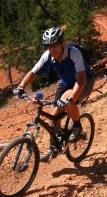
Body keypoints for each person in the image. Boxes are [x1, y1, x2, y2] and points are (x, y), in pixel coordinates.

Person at [14, 27, 95, 162]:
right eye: (49, 46)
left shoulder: (73, 53)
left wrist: (71, 99)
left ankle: (77, 126)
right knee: (53, 115)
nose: (52, 49)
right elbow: (33, 73)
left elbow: (81, 79)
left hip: (85, 82)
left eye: (55, 45)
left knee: (67, 99)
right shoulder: (47, 56)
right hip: (65, 82)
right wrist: (20, 87)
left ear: (63, 43)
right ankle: (54, 147)